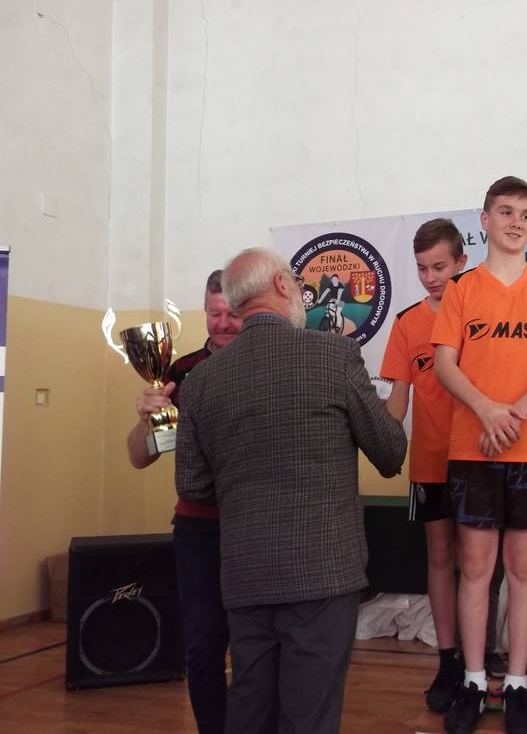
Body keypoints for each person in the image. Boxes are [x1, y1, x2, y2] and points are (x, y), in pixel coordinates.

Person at [175, 247, 407, 734]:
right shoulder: (335, 356)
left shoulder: (200, 382)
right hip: (323, 574)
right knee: (310, 716)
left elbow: (193, 485)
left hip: (243, 573)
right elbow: (390, 455)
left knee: (250, 710)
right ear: (283, 285)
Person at [431, 176, 527, 734]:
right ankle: (474, 679)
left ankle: (517, 684)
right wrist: (486, 410)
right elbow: (445, 364)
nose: (516, 222)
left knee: (524, 569)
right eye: (507, 211)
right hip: (474, 449)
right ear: (485, 219)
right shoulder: (462, 289)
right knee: (474, 570)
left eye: (526, 214)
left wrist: (511, 415)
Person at [126, 269, 241, 734]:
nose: (224, 323)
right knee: (203, 646)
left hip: (254, 528)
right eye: (215, 314)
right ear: (204, 311)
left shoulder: (266, 365)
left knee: (254, 646)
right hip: (197, 528)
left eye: (232, 313)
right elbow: (140, 457)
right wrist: (146, 419)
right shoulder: (179, 371)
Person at [380, 217, 469, 712]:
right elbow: (396, 405)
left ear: (462, 262)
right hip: (430, 465)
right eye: (422, 268)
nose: (431, 277)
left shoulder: (480, 316)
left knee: (480, 563)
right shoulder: (407, 323)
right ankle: (448, 658)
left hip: (479, 460)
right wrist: (376, 440)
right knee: (440, 559)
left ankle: (481, 658)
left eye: (440, 266)